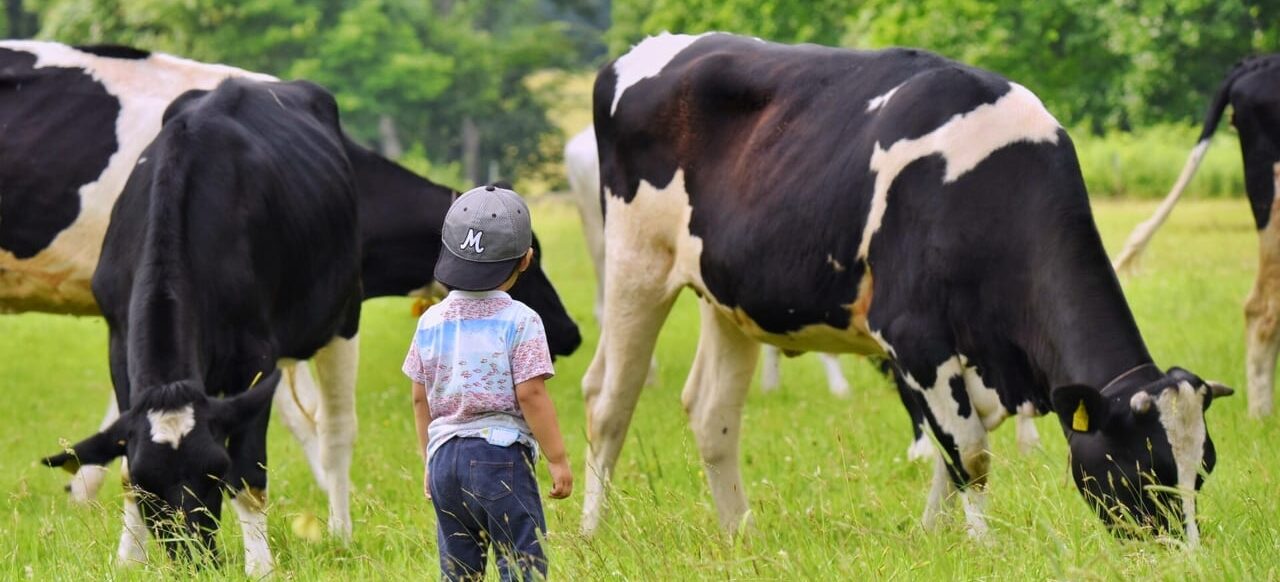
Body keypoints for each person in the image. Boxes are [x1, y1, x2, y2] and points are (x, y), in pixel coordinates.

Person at [403, 184, 573, 581]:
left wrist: (429, 459)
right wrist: (558, 458)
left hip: (444, 460)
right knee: (521, 565)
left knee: (460, 571)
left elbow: (418, 398)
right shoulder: (522, 321)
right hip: (501, 460)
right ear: (526, 259)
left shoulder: (430, 320)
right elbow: (531, 393)